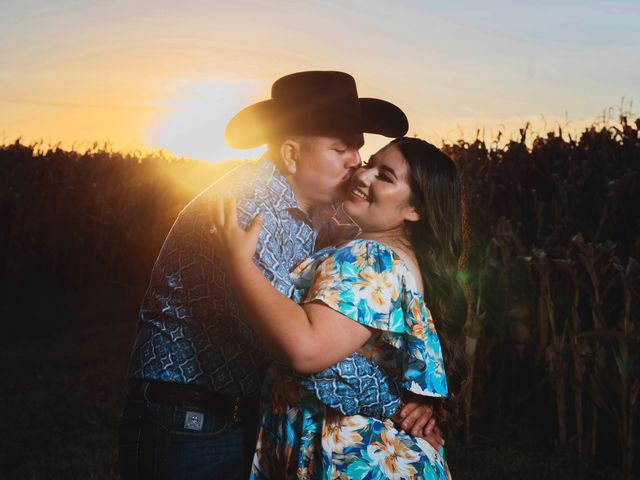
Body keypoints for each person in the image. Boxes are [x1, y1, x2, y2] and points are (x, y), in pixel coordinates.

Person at [119, 71, 442, 479]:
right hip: (190, 418)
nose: (356, 162)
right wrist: (396, 405)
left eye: (359, 149)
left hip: (241, 415)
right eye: (341, 149)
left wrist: (416, 398)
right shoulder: (250, 209)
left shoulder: (324, 214)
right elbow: (295, 346)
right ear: (291, 155)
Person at [210, 136, 461, 479]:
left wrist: (239, 263)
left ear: (415, 209)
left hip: (352, 459)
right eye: (370, 163)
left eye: (385, 177)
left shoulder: (370, 258)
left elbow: (306, 350)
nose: (363, 175)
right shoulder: (397, 258)